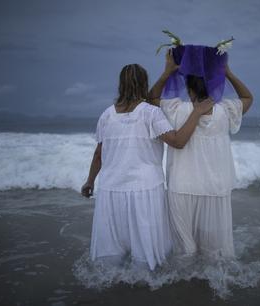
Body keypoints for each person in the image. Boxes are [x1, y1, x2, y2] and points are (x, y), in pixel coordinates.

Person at [81, 63, 213, 270]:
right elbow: (178, 142)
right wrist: (196, 113)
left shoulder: (107, 115)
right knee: (145, 256)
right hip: (145, 191)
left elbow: (99, 154)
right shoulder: (151, 113)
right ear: (144, 83)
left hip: (110, 190)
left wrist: (89, 181)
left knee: (110, 259)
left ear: (120, 85)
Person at [149, 50, 253, 258]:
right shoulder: (225, 111)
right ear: (215, 84)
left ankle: (184, 286)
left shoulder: (177, 109)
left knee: (185, 250)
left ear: (187, 87)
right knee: (214, 252)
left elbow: (151, 99)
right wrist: (228, 73)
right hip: (215, 188)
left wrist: (166, 72)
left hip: (182, 187)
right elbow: (247, 97)